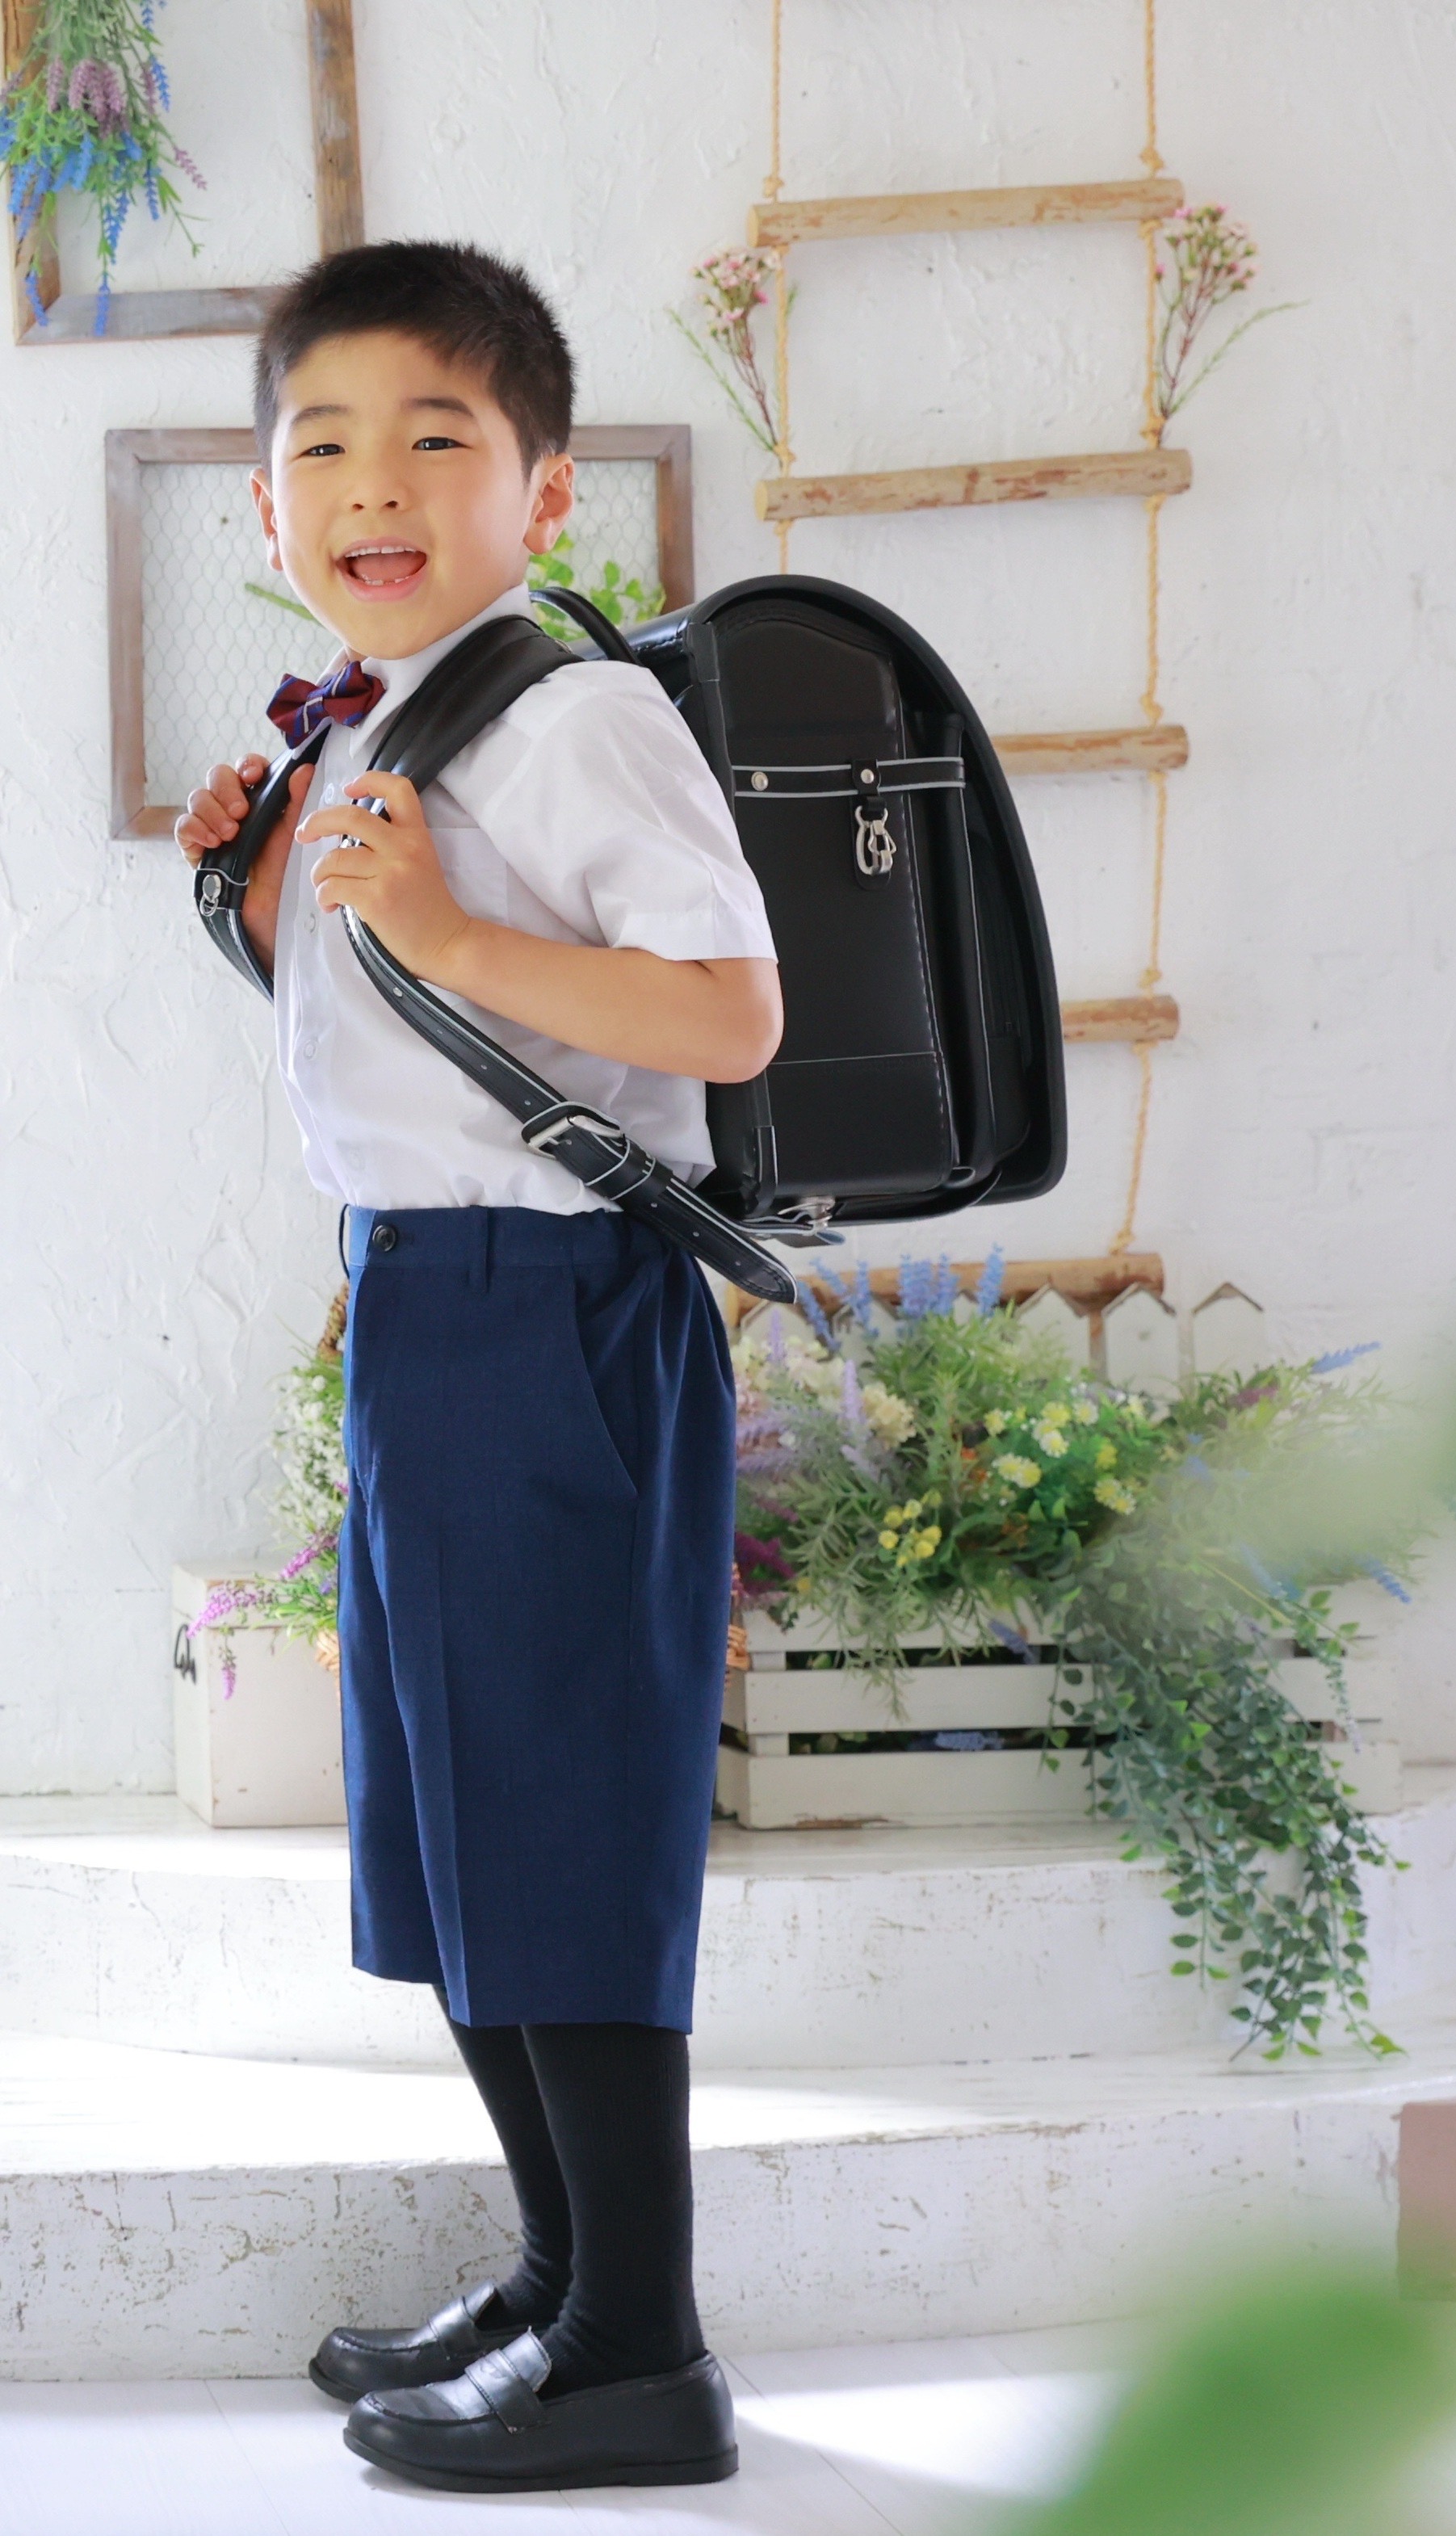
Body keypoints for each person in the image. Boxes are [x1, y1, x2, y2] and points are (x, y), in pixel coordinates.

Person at [175, 239, 781, 2496]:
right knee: (464, 1833)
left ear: (542, 486)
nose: (371, 478)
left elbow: (721, 1022)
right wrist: (267, 917)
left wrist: (429, 921)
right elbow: (433, 1046)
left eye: (437, 433)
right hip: (434, 1296)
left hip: (558, 1315)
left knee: (560, 1823)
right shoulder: (371, 718)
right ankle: (556, 2278)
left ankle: (643, 2345)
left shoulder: (570, 713)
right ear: (265, 510)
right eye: (319, 440)